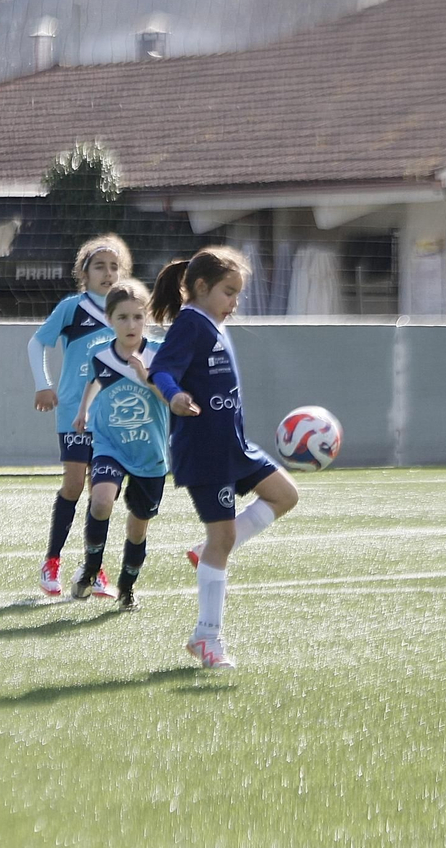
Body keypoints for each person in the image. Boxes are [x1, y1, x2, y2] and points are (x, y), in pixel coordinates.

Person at [147, 247, 298, 670]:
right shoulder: (191, 324)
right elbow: (160, 369)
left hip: (234, 445)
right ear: (200, 287)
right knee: (224, 541)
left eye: (238, 294)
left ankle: (206, 549)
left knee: (285, 495)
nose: (234, 303)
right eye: (229, 292)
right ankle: (206, 638)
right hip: (205, 452)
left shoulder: (212, 323)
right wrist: (174, 396)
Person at [28, 235, 129, 598]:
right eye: (99, 266)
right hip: (75, 411)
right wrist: (44, 384)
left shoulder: (125, 309)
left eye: (114, 267)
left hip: (112, 416)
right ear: (83, 272)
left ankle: (93, 567)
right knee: (74, 484)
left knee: (101, 493)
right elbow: (37, 342)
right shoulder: (73, 307)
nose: (108, 273)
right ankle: (51, 562)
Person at [69, 279, 168, 611]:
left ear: (147, 319)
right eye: (122, 317)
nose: (131, 324)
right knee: (101, 501)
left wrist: (147, 377)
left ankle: (127, 587)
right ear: (110, 320)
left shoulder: (159, 355)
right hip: (110, 443)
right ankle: (92, 569)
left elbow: (171, 399)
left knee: (138, 527)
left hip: (149, 453)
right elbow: (94, 382)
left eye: (137, 317)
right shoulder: (100, 356)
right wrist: (83, 411)